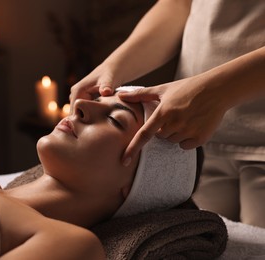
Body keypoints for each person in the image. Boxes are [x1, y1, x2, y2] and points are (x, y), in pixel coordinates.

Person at [0, 93, 198, 259]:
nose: (81, 105)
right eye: (98, 100)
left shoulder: (69, 245)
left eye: (115, 120)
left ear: (134, 187)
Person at [70, 0, 265, 227]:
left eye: (116, 119)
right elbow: (179, 4)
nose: (80, 111)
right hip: (189, 142)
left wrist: (217, 92)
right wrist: (114, 66)